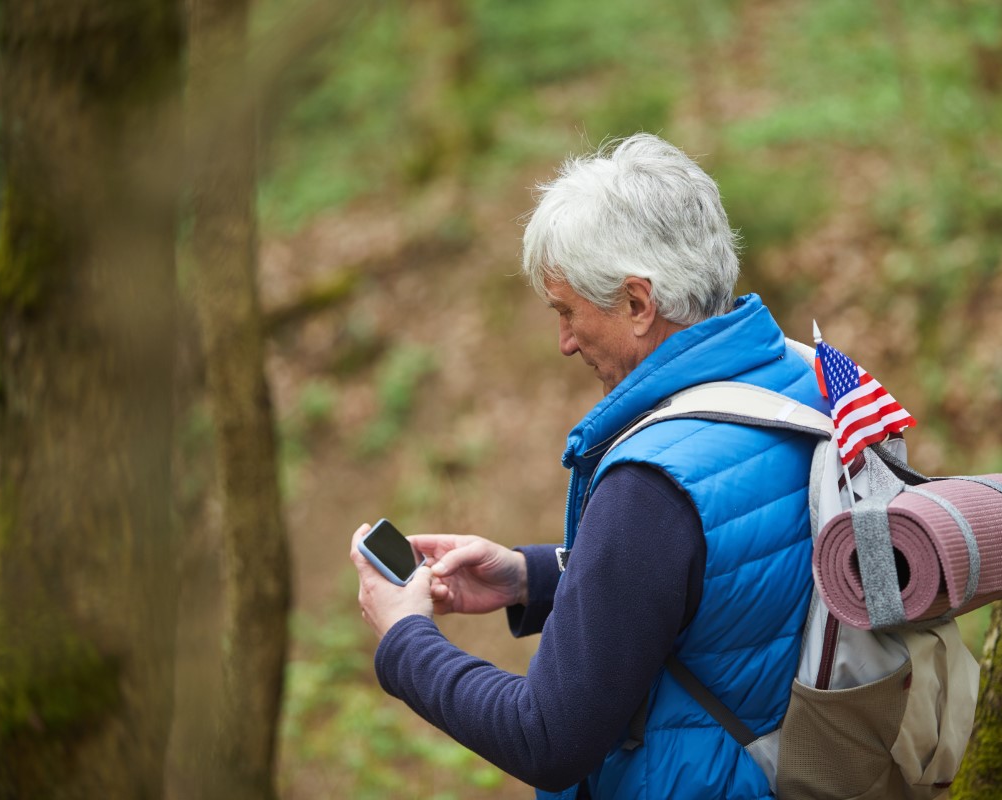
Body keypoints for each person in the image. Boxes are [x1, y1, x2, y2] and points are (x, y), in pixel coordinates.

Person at [350, 133, 826, 799]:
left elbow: (544, 738)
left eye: (569, 312)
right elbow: (723, 572)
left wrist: (406, 637)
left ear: (638, 303)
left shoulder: (652, 484)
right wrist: (533, 577)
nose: (565, 342)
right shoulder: (800, 379)